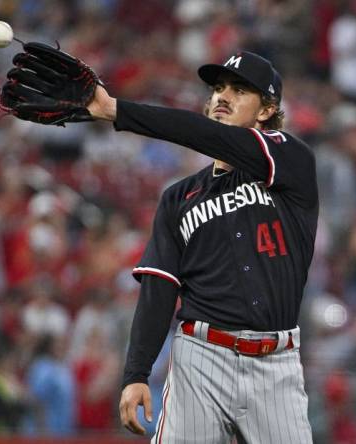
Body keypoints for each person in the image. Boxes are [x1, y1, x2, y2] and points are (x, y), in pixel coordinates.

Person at [83, 51, 318, 442]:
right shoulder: (178, 199)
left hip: (276, 365)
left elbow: (206, 135)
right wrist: (136, 374)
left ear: (267, 110)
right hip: (202, 357)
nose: (223, 97)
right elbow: (159, 289)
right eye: (218, 88)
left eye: (239, 90)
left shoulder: (290, 161)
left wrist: (115, 110)